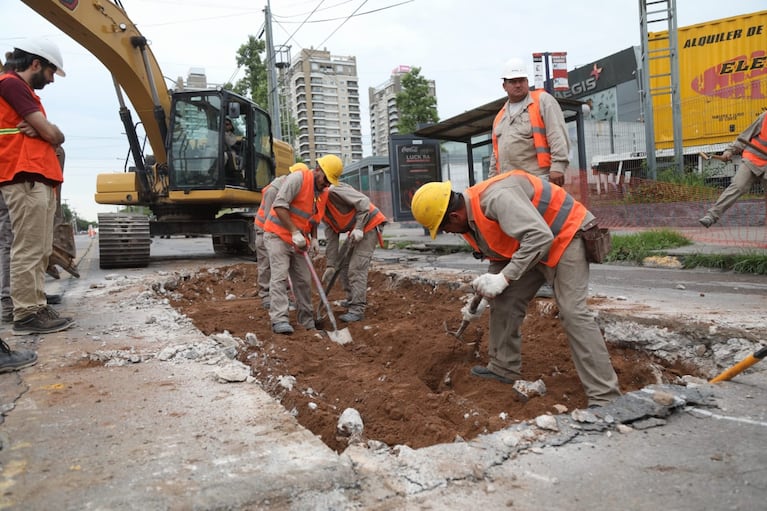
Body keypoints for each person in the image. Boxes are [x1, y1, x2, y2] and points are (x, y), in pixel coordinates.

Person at [409, 172, 622, 408]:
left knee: (573, 311)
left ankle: (606, 397)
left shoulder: (496, 199)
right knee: (504, 298)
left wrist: (505, 278)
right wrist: (487, 290)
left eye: (443, 227)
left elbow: (540, 237)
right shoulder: (471, 222)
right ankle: (503, 367)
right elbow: (499, 255)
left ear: (454, 216)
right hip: (531, 246)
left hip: (566, 235)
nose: (446, 233)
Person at [0, 39, 74, 337]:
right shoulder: (13, 85)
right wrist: (48, 132)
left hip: (33, 176)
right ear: (35, 64)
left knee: (39, 248)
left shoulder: (19, 89)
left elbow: (52, 134)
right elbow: (54, 134)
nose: (52, 79)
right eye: (50, 72)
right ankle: (26, 313)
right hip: (23, 175)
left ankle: (34, 305)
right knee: (28, 248)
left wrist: (47, 132)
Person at [489, 57, 571, 298]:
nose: (518, 85)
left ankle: (553, 280)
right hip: (510, 188)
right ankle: (528, 280)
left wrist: (558, 166)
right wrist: (491, 184)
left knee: (546, 232)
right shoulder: (500, 117)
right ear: (504, 85)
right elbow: (496, 155)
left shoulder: (542, 101)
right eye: (513, 81)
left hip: (539, 182)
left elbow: (557, 133)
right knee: (522, 235)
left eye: (522, 80)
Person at [262, 155, 342, 334]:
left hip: (298, 240)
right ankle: (279, 319)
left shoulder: (323, 192)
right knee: (280, 276)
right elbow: (279, 205)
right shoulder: (297, 179)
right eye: (326, 179)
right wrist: (294, 231)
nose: (327, 184)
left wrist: (313, 238)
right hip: (277, 235)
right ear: (318, 170)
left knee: (304, 280)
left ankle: (306, 322)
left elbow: (314, 219)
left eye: (331, 182)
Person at [321, 181, 387, 322]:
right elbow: (331, 239)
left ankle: (357, 309)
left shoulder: (334, 191)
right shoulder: (322, 211)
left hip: (370, 224)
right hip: (357, 229)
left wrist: (359, 227)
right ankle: (352, 298)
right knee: (342, 264)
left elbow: (363, 201)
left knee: (356, 267)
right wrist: (330, 265)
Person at [254, 162, 308, 309]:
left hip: (283, 230)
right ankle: (266, 295)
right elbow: (271, 220)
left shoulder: (296, 189)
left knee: (285, 264)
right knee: (267, 264)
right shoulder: (274, 190)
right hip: (265, 229)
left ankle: (285, 295)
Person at [699, 110, 767, 228]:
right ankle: (711, 216)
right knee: (738, 186)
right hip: (752, 158)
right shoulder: (765, 117)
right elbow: (744, 136)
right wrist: (730, 151)